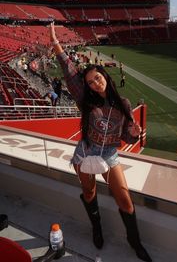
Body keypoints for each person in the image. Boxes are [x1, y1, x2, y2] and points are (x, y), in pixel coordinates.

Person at [49, 22, 152, 262]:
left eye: (97, 78)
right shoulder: (85, 98)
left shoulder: (124, 104)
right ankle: (97, 228)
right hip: (86, 151)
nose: (95, 83)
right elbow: (69, 69)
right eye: (91, 82)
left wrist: (134, 132)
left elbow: (126, 137)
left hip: (108, 154)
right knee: (89, 191)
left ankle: (134, 241)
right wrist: (55, 42)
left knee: (125, 199)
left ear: (104, 75)